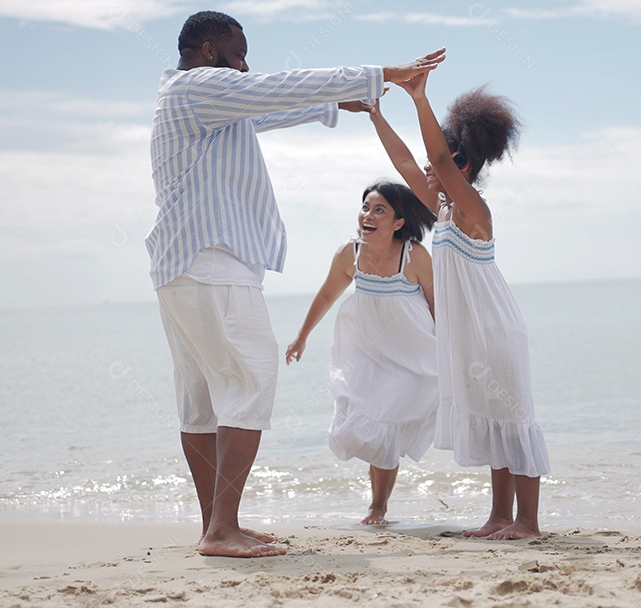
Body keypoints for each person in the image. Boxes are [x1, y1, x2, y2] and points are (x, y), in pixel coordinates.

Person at [145, 10, 444, 558]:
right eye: (239, 53)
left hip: (183, 269)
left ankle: (217, 524)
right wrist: (384, 75)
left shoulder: (193, 101)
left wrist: (336, 106)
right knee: (250, 387)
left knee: (202, 403)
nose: (246, 64)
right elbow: (274, 87)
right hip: (213, 265)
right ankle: (221, 529)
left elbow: (266, 110)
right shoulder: (198, 87)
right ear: (209, 52)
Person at [367, 63, 550, 540]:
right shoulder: (444, 211)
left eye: (442, 162)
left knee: (513, 419)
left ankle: (527, 522)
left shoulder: (474, 211)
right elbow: (409, 164)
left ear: (462, 163)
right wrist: (374, 113)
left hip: (494, 329)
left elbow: (437, 163)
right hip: (469, 334)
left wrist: (419, 98)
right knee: (492, 422)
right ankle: (498, 518)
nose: (429, 170)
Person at [285, 180, 438, 525]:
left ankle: (377, 507)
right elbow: (327, 295)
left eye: (379, 210)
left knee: (387, 426)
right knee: (364, 422)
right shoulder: (349, 253)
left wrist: (452, 353)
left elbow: (436, 304)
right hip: (365, 352)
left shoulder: (414, 256)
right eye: (366, 207)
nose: (367, 215)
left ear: (399, 222)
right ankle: (377, 506)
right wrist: (301, 336)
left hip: (410, 354)